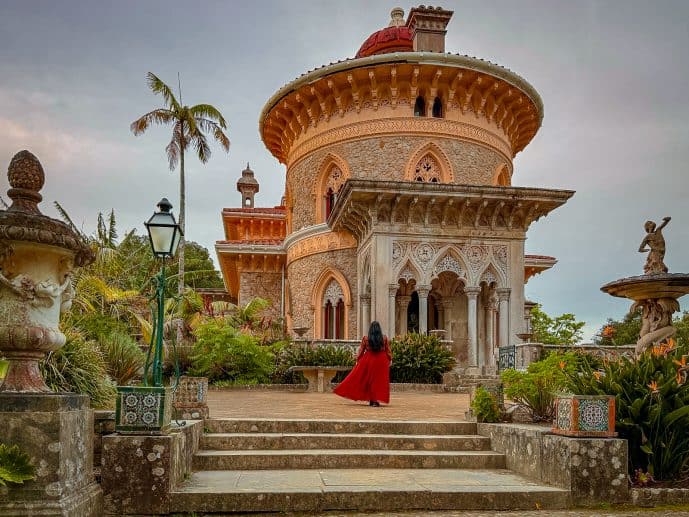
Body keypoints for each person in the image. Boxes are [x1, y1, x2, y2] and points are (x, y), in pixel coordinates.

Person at [334, 321, 392, 406]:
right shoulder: (384, 338)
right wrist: (390, 359)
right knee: (378, 381)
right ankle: (375, 400)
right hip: (381, 360)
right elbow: (388, 350)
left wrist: (358, 360)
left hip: (368, 359)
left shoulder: (366, 338)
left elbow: (361, 351)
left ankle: (372, 400)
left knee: (368, 380)